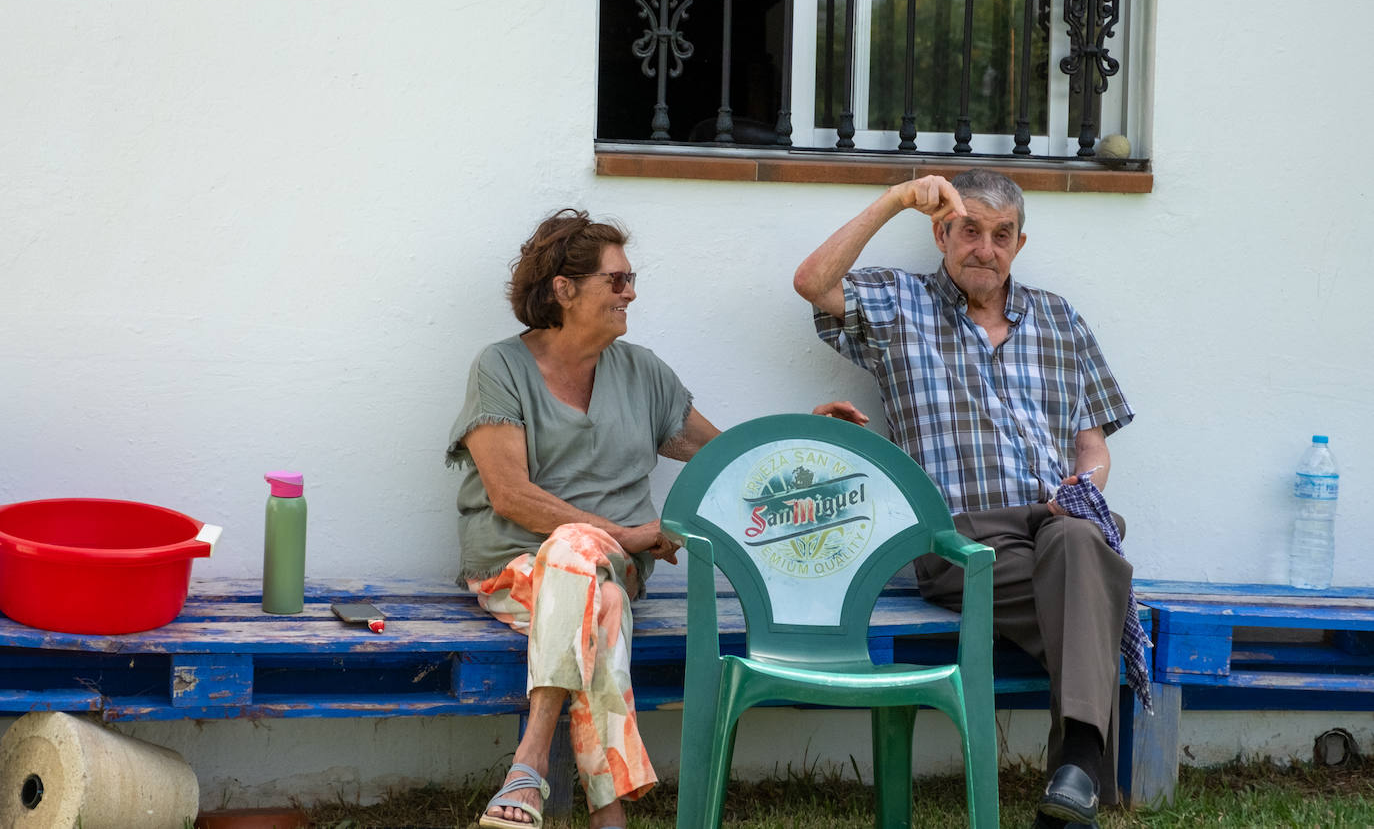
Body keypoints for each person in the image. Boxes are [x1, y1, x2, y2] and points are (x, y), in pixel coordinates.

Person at [448, 209, 862, 829]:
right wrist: (624, 534)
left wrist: (803, 433)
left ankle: (527, 770)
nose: (631, 293)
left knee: (583, 557)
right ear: (565, 289)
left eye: (630, 279)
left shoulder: (642, 372)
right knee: (598, 595)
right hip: (515, 569)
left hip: (613, 561)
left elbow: (728, 458)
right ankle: (606, 811)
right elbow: (510, 496)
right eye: (616, 281)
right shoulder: (500, 368)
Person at [793, 170, 1136, 829]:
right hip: (961, 540)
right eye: (970, 230)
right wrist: (895, 198)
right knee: (1092, 584)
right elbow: (812, 282)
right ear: (942, 233)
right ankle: (1085, 763)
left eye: (1001, 235)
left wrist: (1082, 490)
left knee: (1078, 542)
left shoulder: (1060, 318)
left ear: (1019, 242)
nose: (985, 247)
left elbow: (1093, 451)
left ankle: (1073, 778)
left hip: (1057, 523)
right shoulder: (899, 304)